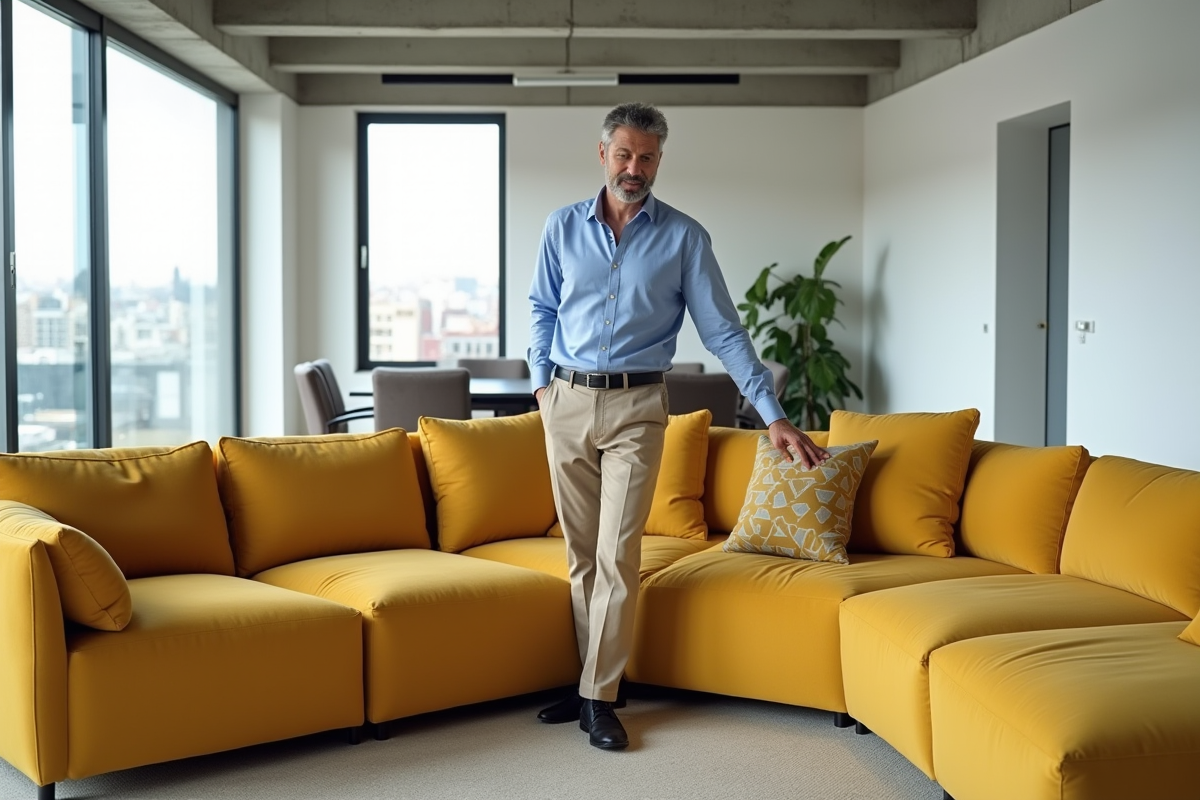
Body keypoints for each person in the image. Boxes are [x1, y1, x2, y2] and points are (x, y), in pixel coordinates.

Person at [527, 102, 828, 750]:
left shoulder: (685, 237)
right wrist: (541, 383)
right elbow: (541, 305)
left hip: (637, 409)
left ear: (660, 160)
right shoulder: (561, 227)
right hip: (567, 403)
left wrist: (771, 413)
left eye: (648, 157)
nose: (635, 168)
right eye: (625, 154)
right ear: (603, 153)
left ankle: (596, 698)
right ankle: (597, 679)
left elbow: (723, 329)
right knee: (581, 558)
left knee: (616, 554)